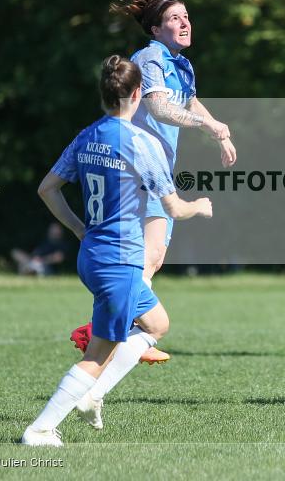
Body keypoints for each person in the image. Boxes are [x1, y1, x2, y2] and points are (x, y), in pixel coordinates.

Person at [21, 55, 212, 446]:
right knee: (98, 354)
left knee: (157, 324)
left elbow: (47, 189)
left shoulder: (87, 135)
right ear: (138, 94)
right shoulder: (142, 143)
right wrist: (200, 206)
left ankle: (92, 393)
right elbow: (174, 207)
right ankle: (40, 428)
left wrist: (78, 228)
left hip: (92, 255)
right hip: (121, 259)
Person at [69, 0, 237, 365]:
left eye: (186, 16)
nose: (184, 22)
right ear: (155, 29)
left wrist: (219, 132)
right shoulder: (151, 58)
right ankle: (112, 328)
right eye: (174, 18)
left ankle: (116, 325)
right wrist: (208, 128)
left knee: (153, 256)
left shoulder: (180, 63)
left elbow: (188, 100)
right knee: (145, 255)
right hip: (134, 167)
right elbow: (161, 108)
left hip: (154, 169)